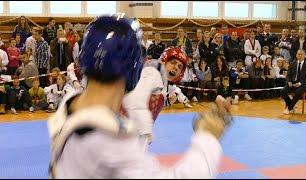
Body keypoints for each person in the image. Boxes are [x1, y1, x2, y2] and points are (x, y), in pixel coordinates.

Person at [48, 15, 232, 179]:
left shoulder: (70, 103)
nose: (175, 68)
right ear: (134, 66)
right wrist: (208, 136)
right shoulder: (113, 142)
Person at [281, 49, 306, 114]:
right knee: (283, 91)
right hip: (292, 83)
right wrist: (289, 81)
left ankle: (289, 108)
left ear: (305, 56)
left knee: (298, 92)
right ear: (296, 55)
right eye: (298, 54)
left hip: (303, 85)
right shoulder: (292, 64)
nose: (300, 55)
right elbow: (288, 75)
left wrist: (299, 83)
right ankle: (292, 105)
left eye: (302, 54)